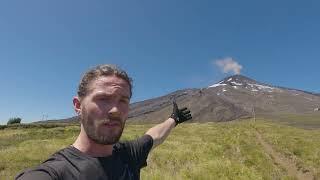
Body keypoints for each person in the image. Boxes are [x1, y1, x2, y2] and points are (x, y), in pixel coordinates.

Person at [16, 64, 192, 180]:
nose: (115, 110)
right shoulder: (57, 172)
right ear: (78, 106)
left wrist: (173, 119)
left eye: (123, 100)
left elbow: (154, 136)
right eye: (103, 99)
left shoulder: (128, 155)